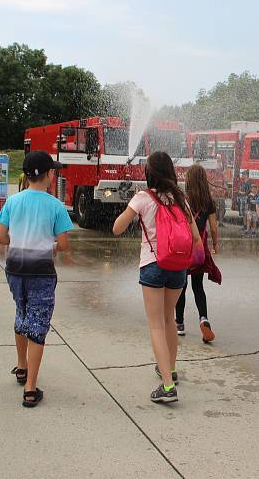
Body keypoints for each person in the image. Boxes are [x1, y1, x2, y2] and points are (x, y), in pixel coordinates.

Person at [112, 151, 199, 404]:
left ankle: (168, 386)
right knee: (169, 319)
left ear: (149, 173)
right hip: (178, 267)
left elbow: (117, 228)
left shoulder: (143, 198)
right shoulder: (181, 199)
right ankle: (169, 369)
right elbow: (194, 237)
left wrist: (133, 212)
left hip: (152, 265)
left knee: (155, 325)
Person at [0, 151, 73, 407]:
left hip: (15, 268)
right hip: (41, 271)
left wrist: (17, 242)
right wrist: (49, 245)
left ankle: (21, 366)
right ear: (49, 175)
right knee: (38, 324)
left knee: (22, 313)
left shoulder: (13, 201)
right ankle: (30, 389)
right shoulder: (55, 206)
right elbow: (63, 244)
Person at [175, 164, 219, 342]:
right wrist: (215, 244)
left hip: (184, 248)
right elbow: (214, 228)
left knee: (181, 286)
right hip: (200, 249)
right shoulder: (209, 202)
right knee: (198, 287)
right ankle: (204, 318)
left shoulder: (182, 199)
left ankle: (179, 324)